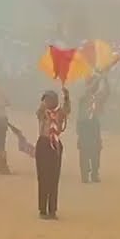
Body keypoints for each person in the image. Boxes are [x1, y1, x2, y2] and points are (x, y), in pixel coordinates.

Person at [34, 87, 71, 220]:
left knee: (54, 179)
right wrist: (44, 103)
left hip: (55, 145)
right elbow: (39, 110)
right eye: (45, 99)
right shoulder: (43, 113)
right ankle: (43, 210)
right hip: (43, 144)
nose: (47, 101)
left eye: (49, 99)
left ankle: (52, 210)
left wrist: (67, 97)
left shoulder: (60, 113)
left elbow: (67, 110)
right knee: (43, 178)